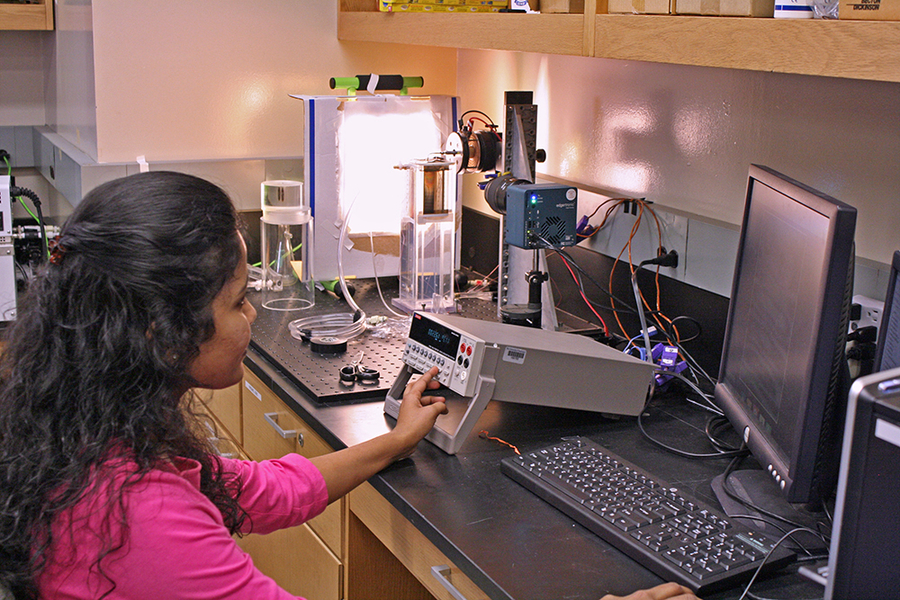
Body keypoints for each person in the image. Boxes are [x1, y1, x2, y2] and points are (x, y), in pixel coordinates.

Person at [0, 171, 699, 600]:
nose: (252, 319)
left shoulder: (86, 442)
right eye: (239, 301)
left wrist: (391, 443)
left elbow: (249, 491)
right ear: (161, 331)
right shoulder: (136, 520)